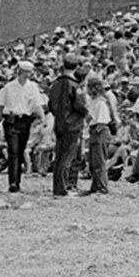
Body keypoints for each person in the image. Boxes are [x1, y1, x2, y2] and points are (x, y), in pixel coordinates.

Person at [0, 59, 44, 195]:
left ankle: (17, 181)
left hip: (25, 121)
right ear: (20, 72)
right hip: (11, 120)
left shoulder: (32, 87)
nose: (28, 75)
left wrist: (43, 118)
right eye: (26, 72)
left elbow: (37, 104)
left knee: (20, 150)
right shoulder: (9, 87)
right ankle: (13, 182)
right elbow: (1, 107)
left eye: (30, 72)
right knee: (13, 151)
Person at [46, 57, 86, 197]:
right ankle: (63, 188)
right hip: (73, 124)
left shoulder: (55, 84)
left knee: (59, 156)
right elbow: (80, 106)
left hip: (59, 122)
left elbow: (50, 104)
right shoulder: (74, 85)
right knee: (68, 156)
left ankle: (57, 187)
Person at [79, 73, 116, 196]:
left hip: (100, 131)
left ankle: (102, 187)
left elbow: (102, 121)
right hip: (94, 132)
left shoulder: (101, 102)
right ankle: (95, 186)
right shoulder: (94, 101)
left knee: (100, 161)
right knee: (94, 161)